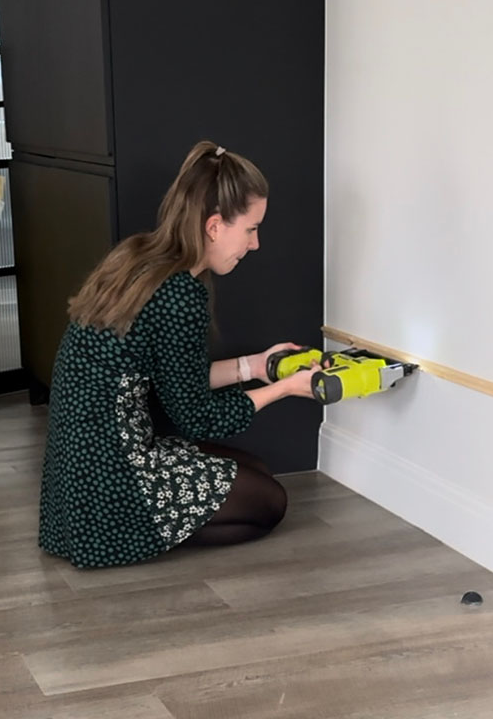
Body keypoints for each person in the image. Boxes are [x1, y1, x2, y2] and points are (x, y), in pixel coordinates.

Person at [38, 141, 320, 568]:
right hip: (114, 475)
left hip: (80, 474)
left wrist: (257, 366)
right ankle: (131, 530)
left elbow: (177, 377)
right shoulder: (179, 292)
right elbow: (197, 416)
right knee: (269, 502)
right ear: (214, 227)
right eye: (250, 229)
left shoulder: (141, 259)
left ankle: (142, 525)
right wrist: (283, 389)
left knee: (255, 469)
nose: (256, 243)